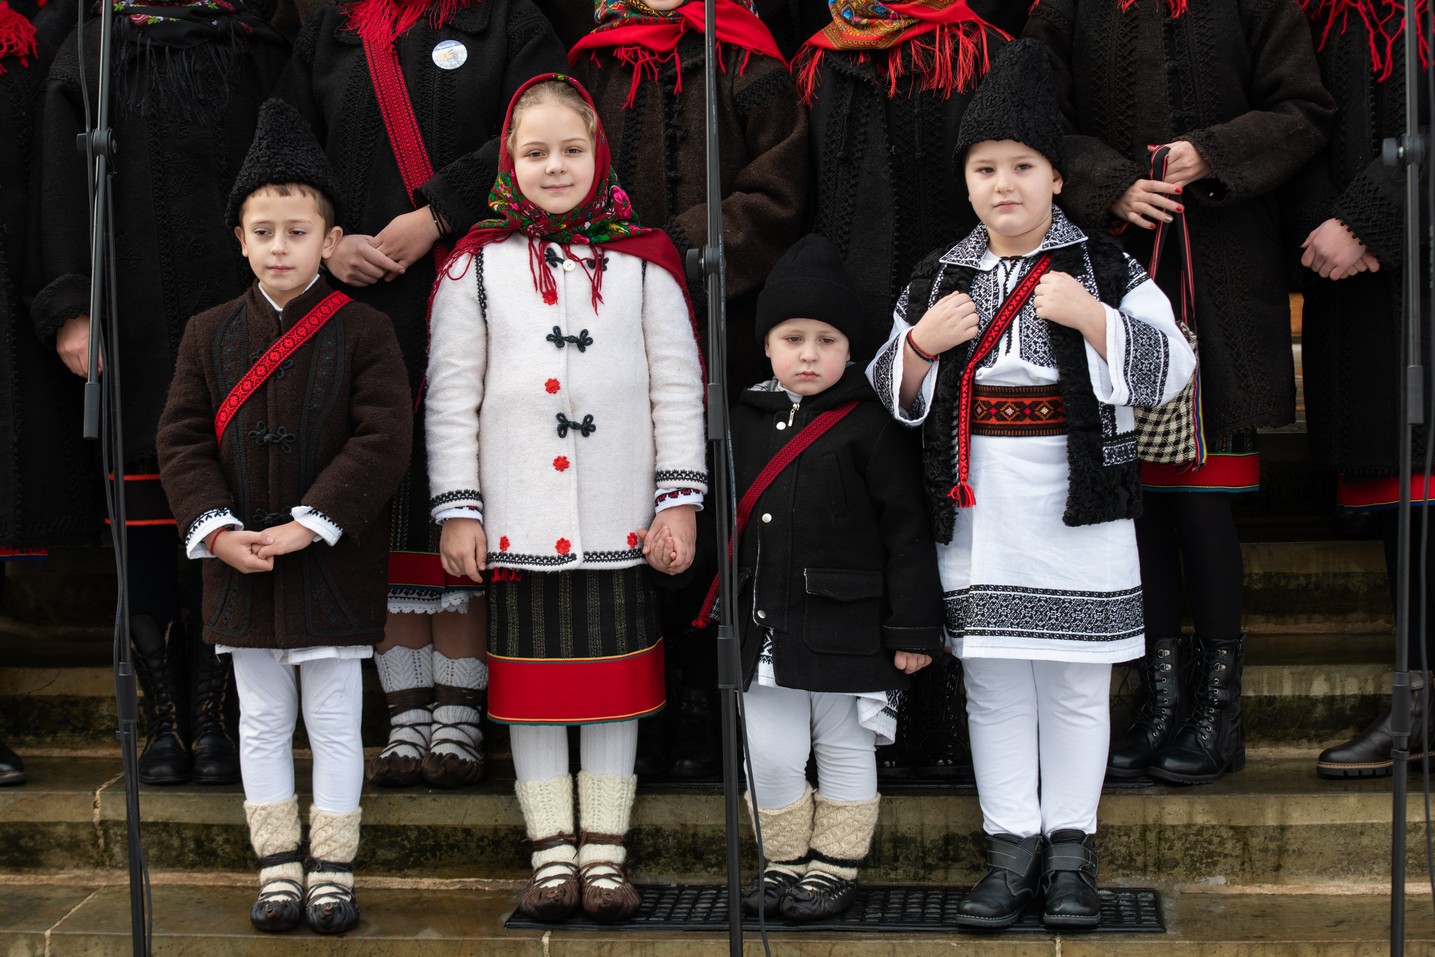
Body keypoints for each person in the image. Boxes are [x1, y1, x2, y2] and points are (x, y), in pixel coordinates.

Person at [867, 39, 1194, 928]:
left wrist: (1092, 321)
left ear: (1056, 177)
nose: (1002, 184)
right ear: (966, 181)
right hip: (978, 506)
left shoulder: (1107, 268)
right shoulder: (938, 273)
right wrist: (922, 345)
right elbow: (884, 387)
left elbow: (1171, 368)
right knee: (995, 682)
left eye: (1021, 166)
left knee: (1079, 681)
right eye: (984, 168)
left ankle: (1070, 855)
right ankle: (1009, 848)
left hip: (1075, 504)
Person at [1024, 0, 1336, 785]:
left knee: (1201, 501)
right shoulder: (1065, 11)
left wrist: (1211, 153)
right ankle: (1161, 703)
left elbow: (1304, 110)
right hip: (1110, 278)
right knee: (1138, 503)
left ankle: (1216, 711)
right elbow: (1035, 110)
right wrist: (1110, 184)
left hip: (1223, 285)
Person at [425, 73, 707, 923]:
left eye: (571, 150)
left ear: (599, 153)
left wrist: (679, 500)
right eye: (535, 151)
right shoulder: (473, 265)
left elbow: (677, 389)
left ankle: (606, 854)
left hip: (622, 520)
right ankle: (553, 857)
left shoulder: (644, 260)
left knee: (614, 690)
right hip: (516, 521)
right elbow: (448, 395)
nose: (555, 166)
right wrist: (459, 507)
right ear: (508, 159)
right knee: (534, 694)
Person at [279, 0, 566, 789]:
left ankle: (461, 714)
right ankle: (406, 712)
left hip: (473, 296)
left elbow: (539, 130)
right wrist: (327, 243)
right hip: (357, 306)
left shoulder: (508, 21)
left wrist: (438, 210)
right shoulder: (328, 31)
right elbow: (290, 146)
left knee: (460, 506)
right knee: (382, 510)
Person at [155, 98, 412, 935]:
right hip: (239, 567)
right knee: (260, 720)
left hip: (330, 561)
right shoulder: (205, 334)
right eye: (263, 230)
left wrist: (312, 521)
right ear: (239, 238)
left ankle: (332, 870)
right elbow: (182, 440)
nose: (279, 246)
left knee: (336, 721)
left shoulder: (366, 331)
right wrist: (216, 530)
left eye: (296, 231)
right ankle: (277, 869)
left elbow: (383, 438)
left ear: (330, 240)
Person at [32, 0, 292, 787]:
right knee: (145, 527)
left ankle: (216, 718)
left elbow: (292, 176)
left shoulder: (253, 46)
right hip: (131, 326)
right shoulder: (92, 50)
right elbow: (60, 187)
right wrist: (73, 310)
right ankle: (166, 720)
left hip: (236, 321)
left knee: (229, 512)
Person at [567, 0, 807, 780]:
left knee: (710, 516)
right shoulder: (592, 67)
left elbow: (775, 197)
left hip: (720, 334)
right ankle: (650, 700)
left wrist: (667, 248)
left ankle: (710, 704)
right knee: (625, 511)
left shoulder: (748, 63)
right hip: (605, 331)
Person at [790, 0, 1012, 782]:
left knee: (946, 512)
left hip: (962, 319)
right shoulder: (819, 58)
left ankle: (942, 714)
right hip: (856, 334)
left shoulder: (978, 47)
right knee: (866, 512)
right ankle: (867, 716)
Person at [726, 234, 944, 921]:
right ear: (767, 345)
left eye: (827, 338)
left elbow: (906, 532)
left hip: (851, 626)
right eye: (793, 337)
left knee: (845, 745)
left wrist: (911, 627)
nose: (810, 353)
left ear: (852, 348)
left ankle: (834, 865)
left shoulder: (872, 425)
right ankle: (783, 858)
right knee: (770, 749)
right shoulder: (741, 420)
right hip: (767, 624)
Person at [1288, 1, 1434, 778]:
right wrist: (1326, 230)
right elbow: (1293, 119)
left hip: (1417, 270)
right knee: (1398, 497)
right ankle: (1415, 705)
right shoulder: (1319, 14)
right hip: (1358, 298)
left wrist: (1372, 220)